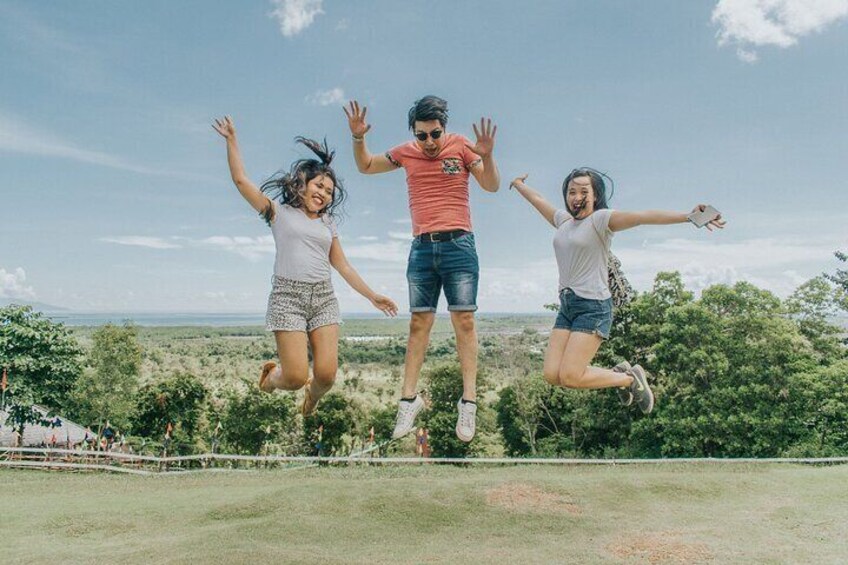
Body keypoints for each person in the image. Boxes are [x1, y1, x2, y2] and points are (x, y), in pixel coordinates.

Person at [213, 116, 398, 416]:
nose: (324, 194)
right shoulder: (278, 212)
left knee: (326, 376)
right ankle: (271, 376)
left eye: (329, 192)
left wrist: (372, 295)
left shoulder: (328, 223)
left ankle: (312, 398)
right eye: (319, 186)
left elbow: (343, 266)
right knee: (296, 376)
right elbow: (241, 181)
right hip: (288, 299)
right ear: (302, 184)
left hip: (323, 297)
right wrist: (232, 140)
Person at [343, 96, 500, 442]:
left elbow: (491, 185)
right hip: (421, 248)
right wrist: (358, 138)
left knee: (464, 320)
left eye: (435, 134)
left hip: (459, 244)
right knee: (419, 323)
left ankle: (469, 401)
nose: (429, 142)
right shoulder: (406, 152)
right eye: (422, 135)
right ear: (414, 133)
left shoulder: (461, 147)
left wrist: (487, 156)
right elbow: (366, 166)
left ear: (444, 127)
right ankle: (408, 401)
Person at [510, 169, 725, 413]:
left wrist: (688, 216)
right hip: (567, 305)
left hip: (593, 307)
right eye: (571, 191)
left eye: (583, 191)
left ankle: (629, 380)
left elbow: (643, 217)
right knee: (551, 375)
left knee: (570, 376)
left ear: (595, 195)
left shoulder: (601, 220)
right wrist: (518, 184)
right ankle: (621, 375)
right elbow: (539, 201)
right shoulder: (563, 221)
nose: (576, 196)